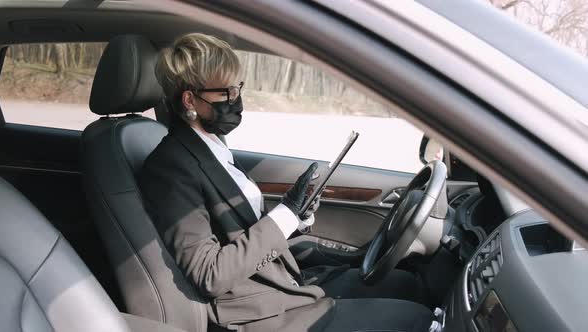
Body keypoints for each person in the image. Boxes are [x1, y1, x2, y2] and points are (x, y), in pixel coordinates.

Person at [138, 33, 432, 332]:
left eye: (237, 88)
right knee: (417, 320)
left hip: (280, 282)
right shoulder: (171, 166)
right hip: (257, 312)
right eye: (225, 93)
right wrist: (285, 214)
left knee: (407, 284)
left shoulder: (211, 143)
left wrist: (297, 215)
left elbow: (237, 228)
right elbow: (210, 274)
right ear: (190, 99)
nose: (236, 100)